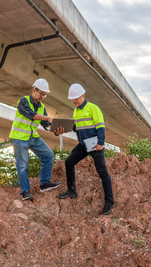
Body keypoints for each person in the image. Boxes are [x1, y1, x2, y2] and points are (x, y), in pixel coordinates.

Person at [56, 83, 114, 215]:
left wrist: (100, 143)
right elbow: (76, 128)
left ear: (83, 95)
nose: (74, 100)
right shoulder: (76, 111)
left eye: (76, 98)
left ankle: (109, 201)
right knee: (69, 161)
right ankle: (72, 190)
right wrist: (62, 129)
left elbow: (100, 127)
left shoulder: (93, 108)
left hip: (94, 144)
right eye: (72, 98)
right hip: (83, 145)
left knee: (102, 172)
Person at [9, 78, 61, 201]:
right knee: (22, 165)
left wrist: (56, 130)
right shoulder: (23, 101)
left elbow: (46, 125)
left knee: (48, 155)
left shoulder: (42, 107)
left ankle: (44, 184)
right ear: (34, 90)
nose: (42, 96)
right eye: (41, 93)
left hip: (33, 137)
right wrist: (48, 118)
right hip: (19, 138)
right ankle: (25, 192)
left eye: (44, 94)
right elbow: (30, 115)